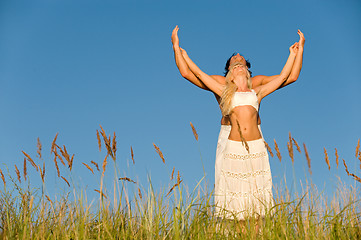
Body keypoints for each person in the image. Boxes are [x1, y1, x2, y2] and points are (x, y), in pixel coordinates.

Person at [171, 26, 305, 216]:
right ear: (228, 69)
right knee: (229, 187)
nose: (239, 56)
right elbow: (189, 73)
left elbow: (289, 76)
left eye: (242, 60)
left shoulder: (257, 85)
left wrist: (298, 51)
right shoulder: (221, 84)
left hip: (254, 137)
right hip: (229, 136)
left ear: (248, 68)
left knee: (256, 187)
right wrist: (177, 48)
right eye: (234, 59)